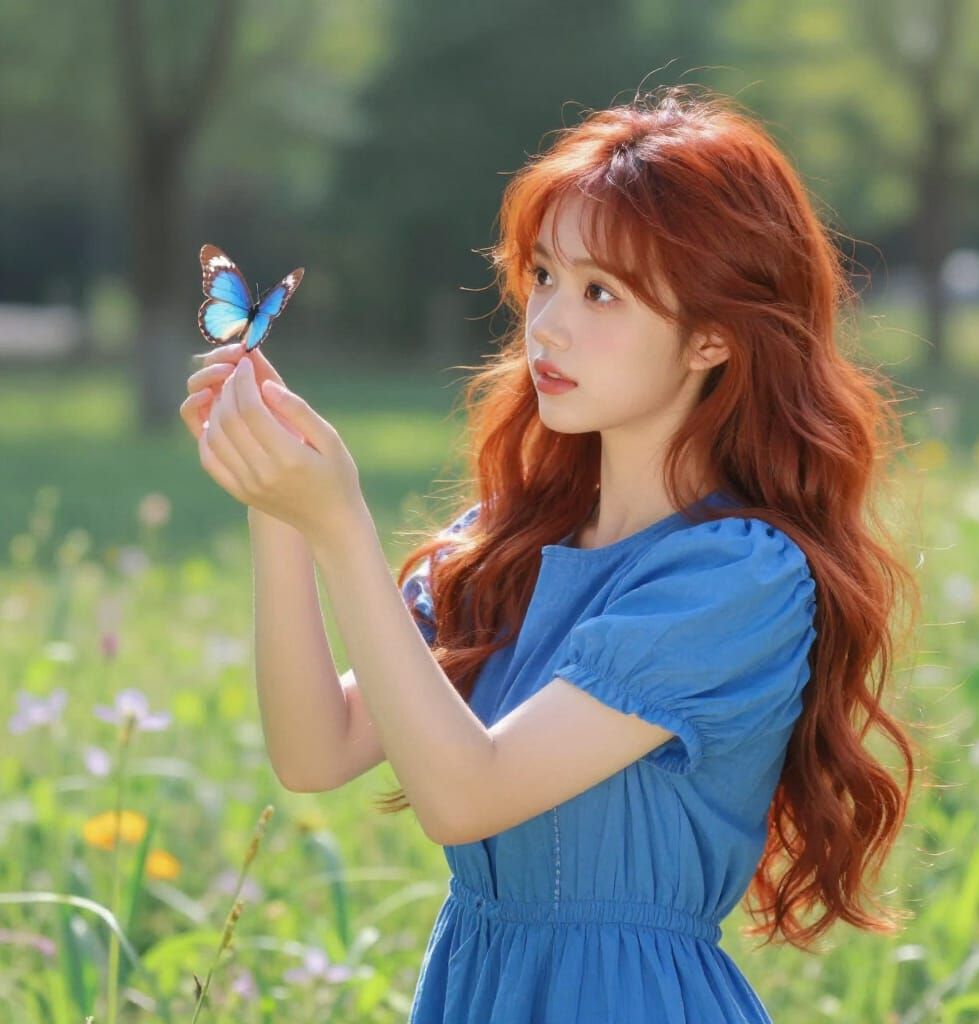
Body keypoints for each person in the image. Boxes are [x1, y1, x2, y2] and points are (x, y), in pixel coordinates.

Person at [181, 83, 923, 1023]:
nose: (549, 325)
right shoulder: (509, 545)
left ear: (712, 337)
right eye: (542, 277)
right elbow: (313, 749)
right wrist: (277, 502)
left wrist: (341, 525)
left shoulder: (741, 578)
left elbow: (465, 795)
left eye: (601, 292)